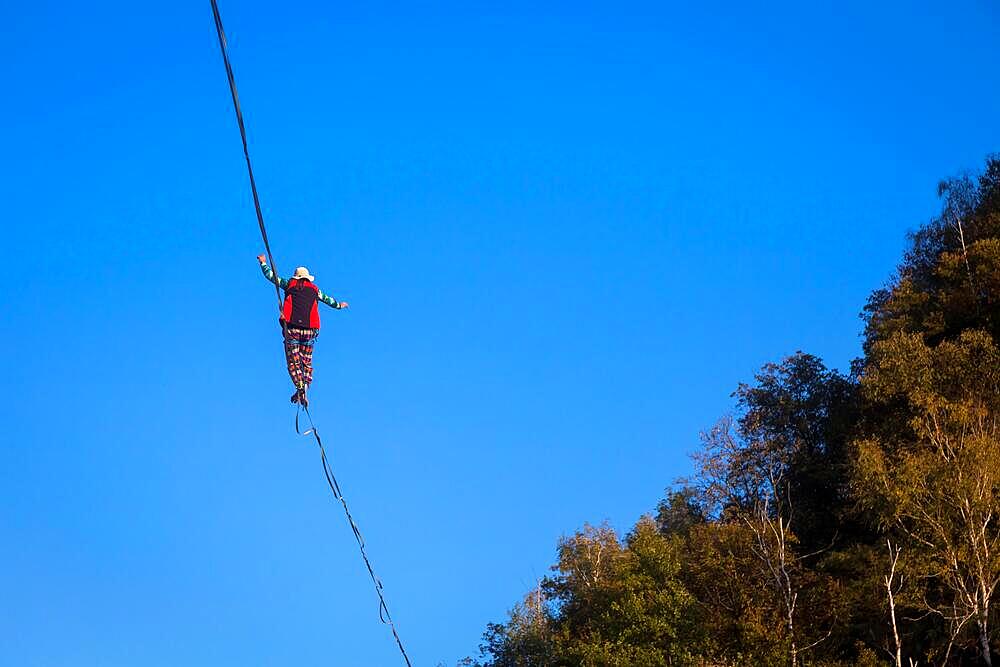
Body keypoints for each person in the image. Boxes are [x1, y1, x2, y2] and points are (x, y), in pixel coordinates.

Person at [257, 254, 348, 407]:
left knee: (293, 361)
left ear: (297, 277)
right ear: (307, 279)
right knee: (306, 362)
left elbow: (271, 276)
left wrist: (263, 262)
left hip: (293, 329)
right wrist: (340, 305)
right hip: (310, 331)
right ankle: (304, 386)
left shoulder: (289, 284)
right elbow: (329, 300)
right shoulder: (315, 290)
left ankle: (300, 387)